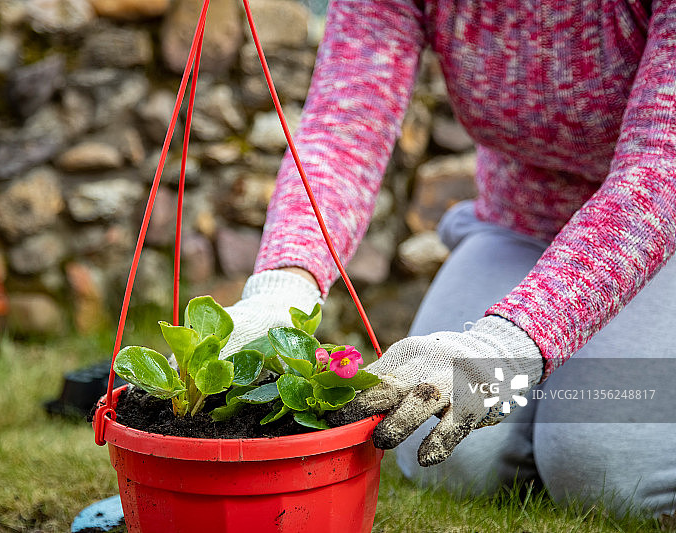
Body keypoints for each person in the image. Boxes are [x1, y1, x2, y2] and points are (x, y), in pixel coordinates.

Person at [219, 0, 676, 519]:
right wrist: (283, 288)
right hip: (522, 224)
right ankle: (547, 423)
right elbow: (344, 129)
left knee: (604, 467)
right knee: (440, 450)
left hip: (663, 237)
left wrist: (505, 345)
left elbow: (661, 170)